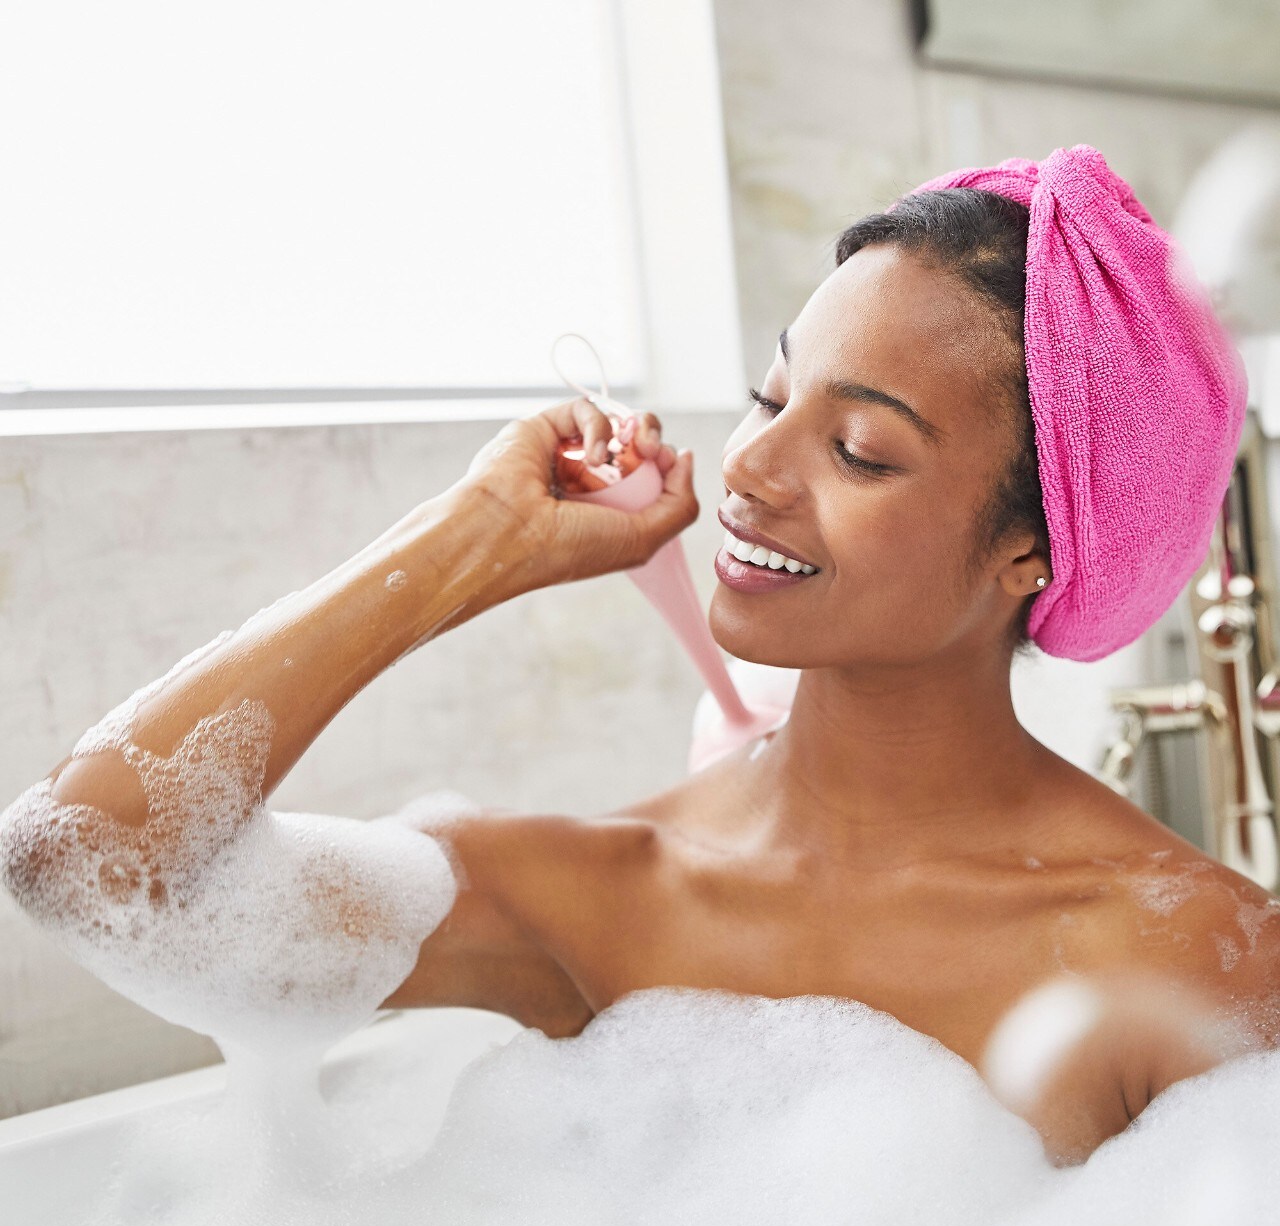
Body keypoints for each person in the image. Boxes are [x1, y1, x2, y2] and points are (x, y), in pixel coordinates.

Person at [15, 149, 1280, 1168]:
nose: (748, 464)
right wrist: (470, 541)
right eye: (769, 396)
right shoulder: (616, 888)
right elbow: (85, 860)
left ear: (1029, 551)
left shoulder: (1185, 954)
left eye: (857, 450)